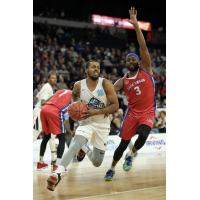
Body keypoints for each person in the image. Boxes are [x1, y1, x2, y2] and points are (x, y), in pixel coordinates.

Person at [46, 60, 119, 191]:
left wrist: (96, 111)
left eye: (98, 67)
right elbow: (73, 101)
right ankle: (58, 173)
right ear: (86, 70)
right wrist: (75, 109)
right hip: (86, 122)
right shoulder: (78, 85)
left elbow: (115, 105)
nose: (96, 69)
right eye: (93, 67)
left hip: (102, 125)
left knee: (97, 162)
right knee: (75, 143)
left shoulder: (106, 84)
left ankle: (85, 149)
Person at [104, 6, 156, 181]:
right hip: (131, 114)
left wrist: (135, 25)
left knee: (143, 135)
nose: (131, 60)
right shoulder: (123, 81)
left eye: (133, 58)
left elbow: (142, 46)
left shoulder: (146, 70)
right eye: (128, 59)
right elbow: (108, 90)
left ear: (138, 61)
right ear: (126, 63)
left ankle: (131, 155)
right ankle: (111, 168)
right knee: (122, 143)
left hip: (147, 112)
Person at [37, 89, 74, 172]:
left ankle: (40, 162)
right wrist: (71, 130)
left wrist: (45, 103)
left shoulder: (61, 90)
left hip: (44, 109)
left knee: (46, 137)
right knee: (62, 138)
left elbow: (51, 97)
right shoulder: (73, 94)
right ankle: (57, 165)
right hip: (55, 111)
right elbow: (70, 112)